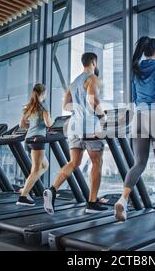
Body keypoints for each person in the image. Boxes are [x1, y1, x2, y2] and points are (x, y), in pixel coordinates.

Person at [114, 36, 155, 222]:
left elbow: (134, 96)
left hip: (139, 117)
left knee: (139, 163)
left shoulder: (137, 69)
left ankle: (123, 200)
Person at [43, 52, 107, 215]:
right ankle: (92, 202)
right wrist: (102, 115)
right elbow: (93, 101)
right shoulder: (92, 78)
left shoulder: (73, 82)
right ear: (94, 62)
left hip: (74, 126)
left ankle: (52, 189)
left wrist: (79, 110)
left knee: (74, 162)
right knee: (96, 162)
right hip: (90, 125)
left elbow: (66, 105)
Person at [16, 83, 52, 206]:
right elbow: (48, 124)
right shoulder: (44, 106)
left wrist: (31, 127)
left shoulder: (30, 106)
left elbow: (22, 124)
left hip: (28, 139)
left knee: (44, 165)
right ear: (43, 93)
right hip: (38, 139)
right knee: (37, 168)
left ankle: (27, 186)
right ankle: (23, 196)